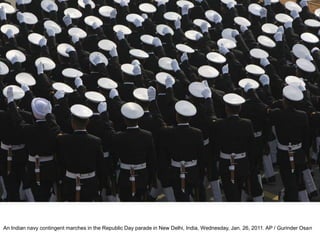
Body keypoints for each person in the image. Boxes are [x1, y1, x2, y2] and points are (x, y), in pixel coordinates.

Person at [209, 93, 255, 201]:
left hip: (225, 163)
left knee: (230, 194)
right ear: (240, 109)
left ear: (226, 109)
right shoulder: (247, 123)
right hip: (242, 162)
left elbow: (215, 145)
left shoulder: (219, 124)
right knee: (239, 191)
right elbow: (251, 145)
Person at [268, 85, 310, 201]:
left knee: (288, 183)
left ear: (284, 100)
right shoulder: (302, 115)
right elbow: (306, 137)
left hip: (284, 154)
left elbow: (267, 109)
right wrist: (304, 152)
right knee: (297, 180)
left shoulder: (277, 114)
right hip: (299, 153)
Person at [158, 100, 205, 201]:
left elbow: (165, 156)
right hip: (193, 171)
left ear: (177, 116)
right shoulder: (197, 133)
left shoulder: (168, 133)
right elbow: (201, 155)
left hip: (175, 172)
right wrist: (200, 174)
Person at [56, 104, 104, 201]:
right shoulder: (96, 141)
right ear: (87, 122)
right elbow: (100, 165)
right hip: (90, 183)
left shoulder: (63, 140)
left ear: (72, 123)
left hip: (69, 182)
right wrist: (101, 183)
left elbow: (60, 161)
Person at [113, 102, 156, 201]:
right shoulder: (147, 135)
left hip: (125, 176)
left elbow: (114, 159)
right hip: (142, 176)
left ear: (124, 119)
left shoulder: (118, 137)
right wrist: (152, 178)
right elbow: (152, 159)